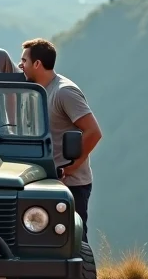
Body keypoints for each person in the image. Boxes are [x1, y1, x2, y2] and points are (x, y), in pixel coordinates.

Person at [19, 38, 102, 235]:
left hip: (70, 185)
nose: (20, 65)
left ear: (37, 64)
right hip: (41, 181)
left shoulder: (64, 92)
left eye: (24, 61)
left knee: (74, 241)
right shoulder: (35, 92)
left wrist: (69, 169)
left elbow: (93, 132)